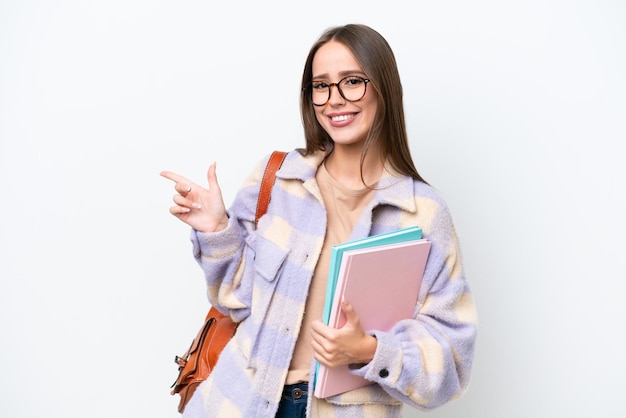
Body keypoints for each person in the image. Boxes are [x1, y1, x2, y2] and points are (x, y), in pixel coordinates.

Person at [161, 23, 477, 418]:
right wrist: (216, 231)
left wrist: (370, 351)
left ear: (384, 88)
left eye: (352, 82)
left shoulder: (424, 212)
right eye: (321, 86)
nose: (335, 99)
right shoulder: (276, 178)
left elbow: (452, 361)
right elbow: (238, 301)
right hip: (238, 402)